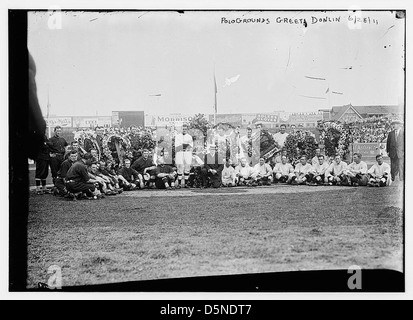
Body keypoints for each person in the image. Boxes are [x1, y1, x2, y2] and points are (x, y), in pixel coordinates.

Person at [174, 123, 193, 188]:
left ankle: (186, 183)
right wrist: (185, 144)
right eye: (183, 129)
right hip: (180, 152)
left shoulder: (189, 136)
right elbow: (177, 146)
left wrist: (183, 145)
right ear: (181, 129)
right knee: (180, 166)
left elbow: (190, 146)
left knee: (187, 167)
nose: (184, 130)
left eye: (185, 129)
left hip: (187, 152)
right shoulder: (178, 136)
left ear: (187, 130)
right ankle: (179, 183)